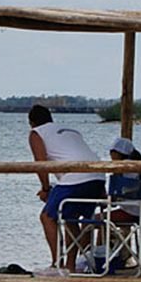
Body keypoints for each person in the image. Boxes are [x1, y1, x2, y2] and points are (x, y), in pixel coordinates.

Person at [27, 105, 105, 272]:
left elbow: (40, 163)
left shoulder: (36, 133)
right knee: (71, 217)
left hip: (75, 177)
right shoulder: (71, 131)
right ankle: (70, 264)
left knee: (47, 217)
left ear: (31, 122)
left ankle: (57, 262)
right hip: (98, 177)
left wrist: (46, 189)